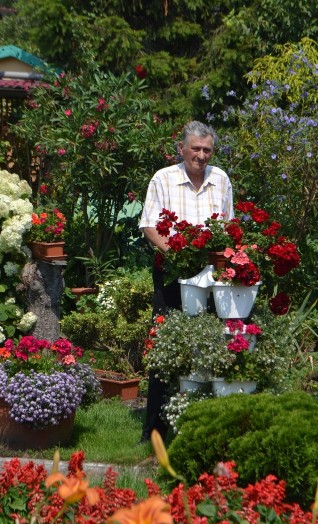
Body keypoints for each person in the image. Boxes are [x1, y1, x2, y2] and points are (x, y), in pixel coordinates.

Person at [137, 120, 234, 442]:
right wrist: (178, 256)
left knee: (212, 343)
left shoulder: (220, 179)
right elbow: (149, 225)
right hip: (172, 271)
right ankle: (155, 430)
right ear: (182, 149)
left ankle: (204, 423)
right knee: (165, 344)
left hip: (211, 274)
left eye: (207, 150)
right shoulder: (164, 178)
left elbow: (229, 227)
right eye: (196, 149)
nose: (202, 155)